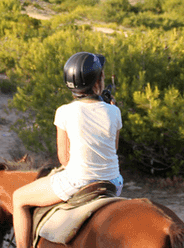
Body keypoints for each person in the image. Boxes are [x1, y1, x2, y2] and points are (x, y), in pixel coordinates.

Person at [11, 52, 123, 248]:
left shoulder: (64, 111)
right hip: (113, 181)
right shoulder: (114, 111)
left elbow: (64, 158)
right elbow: (113, 149)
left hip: (78, 182)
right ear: (98, 81)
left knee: (18, 198)